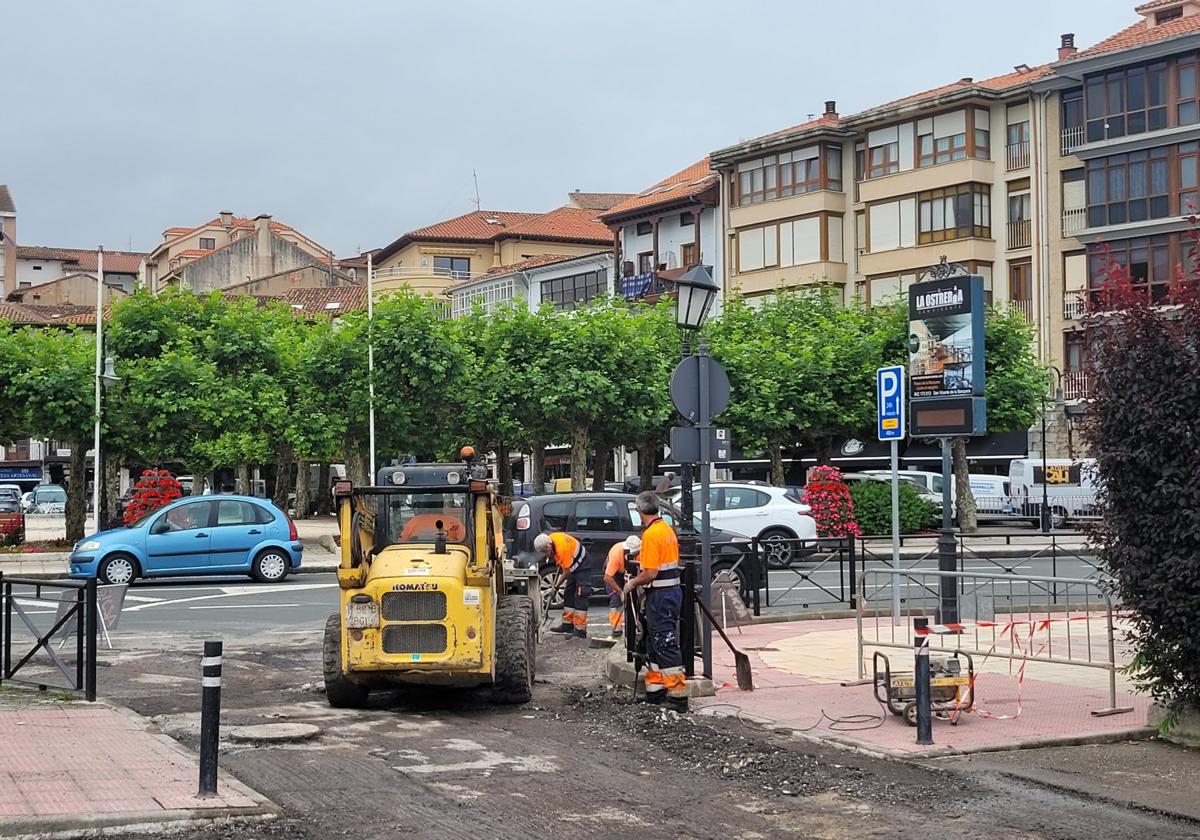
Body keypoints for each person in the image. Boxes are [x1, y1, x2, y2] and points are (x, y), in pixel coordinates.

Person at [623, 492, 687, 711]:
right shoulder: (666, 529)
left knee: (665, 642)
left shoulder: (651, 535)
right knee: (653, 642)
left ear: (639, 511)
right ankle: (656, 691)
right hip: (669, 592)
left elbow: (650, 572)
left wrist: (632, 584)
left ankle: (677, 696)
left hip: (660, 595)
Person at [534, 531, 591, 639]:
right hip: (572, 564)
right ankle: (567, 625)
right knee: (568, 592)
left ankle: (580, 630)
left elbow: (566, 571)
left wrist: (555, 587)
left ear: (549, 545)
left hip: (583, 564)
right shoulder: (550, 539)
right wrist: (555, 586)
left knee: (580, 594)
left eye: (546, 551)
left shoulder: (562, 549)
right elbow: (561, 564)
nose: (546, 554)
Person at [603, 535, 641, 639]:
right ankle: (616, 630)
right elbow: (608, 577)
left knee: (635, 598)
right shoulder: (616, 553)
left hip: (630, 572)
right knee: (616, 600)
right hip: (614, 573)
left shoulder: (642, 552)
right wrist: (620, 593)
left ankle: (634, 625)